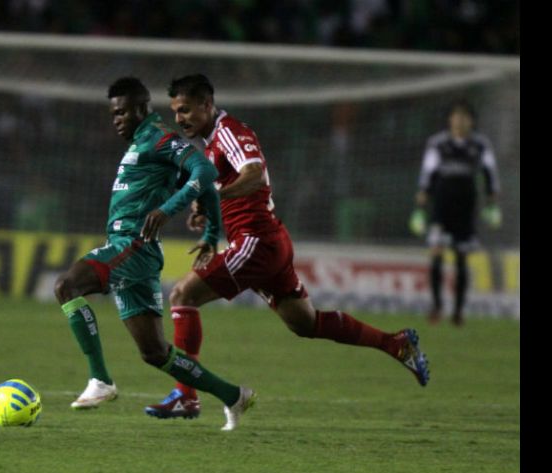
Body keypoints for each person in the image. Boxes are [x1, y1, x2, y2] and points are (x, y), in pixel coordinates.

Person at [144, 74, 430, 420]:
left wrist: (212, 195)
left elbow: (254, 173)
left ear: (207, 104)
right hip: (268, 244)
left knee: (181, 296)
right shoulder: (214, 140)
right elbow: (237, 187)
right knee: (306, 323)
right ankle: (396, 344)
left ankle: (186, 395)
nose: (180, 119)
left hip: (257, 242)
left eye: (186, 110)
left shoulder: (229, 132)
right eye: (176, 112)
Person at [54, 77, 255, 431]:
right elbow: (200, 182)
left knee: (67, 287)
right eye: (112, 114)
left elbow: (205, 170)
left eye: (121, 113)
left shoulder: (159, 138)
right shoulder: (141, 143)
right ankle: (233, 396)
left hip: (131, 245)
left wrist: (168, 210)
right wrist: (209, 232)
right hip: (137, 252)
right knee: (155, 353)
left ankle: (100, 380)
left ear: (141, 108)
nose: (116, 119)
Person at [409, 100, 501, 326]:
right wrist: (421, 204)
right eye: (456, 116)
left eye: (464, 116)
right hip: (442, 207)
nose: (460, 120)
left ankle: (458, 311)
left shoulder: (480, 144)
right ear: (450, 119)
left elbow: (490, 173)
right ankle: (437, 306)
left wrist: (492, 202)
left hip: (466, 207)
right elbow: (428, 172)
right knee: (437, 253)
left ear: (471, 120)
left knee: (461, 257)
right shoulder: (438, 143)